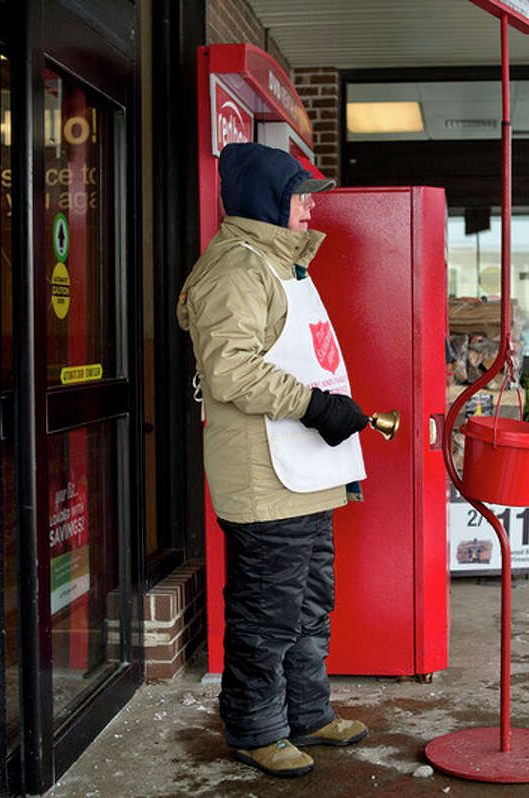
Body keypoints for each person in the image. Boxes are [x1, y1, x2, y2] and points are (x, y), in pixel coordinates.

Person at [176, 142, 369, 778]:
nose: (311, 208)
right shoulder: (236, 267)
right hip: (265, 477)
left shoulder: (282, 265)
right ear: (269, 200)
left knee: (310, 603)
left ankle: (308, 713)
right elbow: (229, 367)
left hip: (306, 474)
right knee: (266, 610)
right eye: (300, 196)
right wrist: (316, 407)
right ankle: (254, 727)